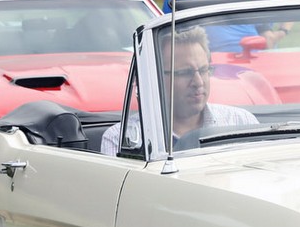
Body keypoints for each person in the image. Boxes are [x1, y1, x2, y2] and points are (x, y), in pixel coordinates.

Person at [102, 29, 258, 156]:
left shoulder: (242, 123)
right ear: (155, 77)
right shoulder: (122, 141)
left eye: (204, 70)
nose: (198, 82)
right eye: (184, 72)